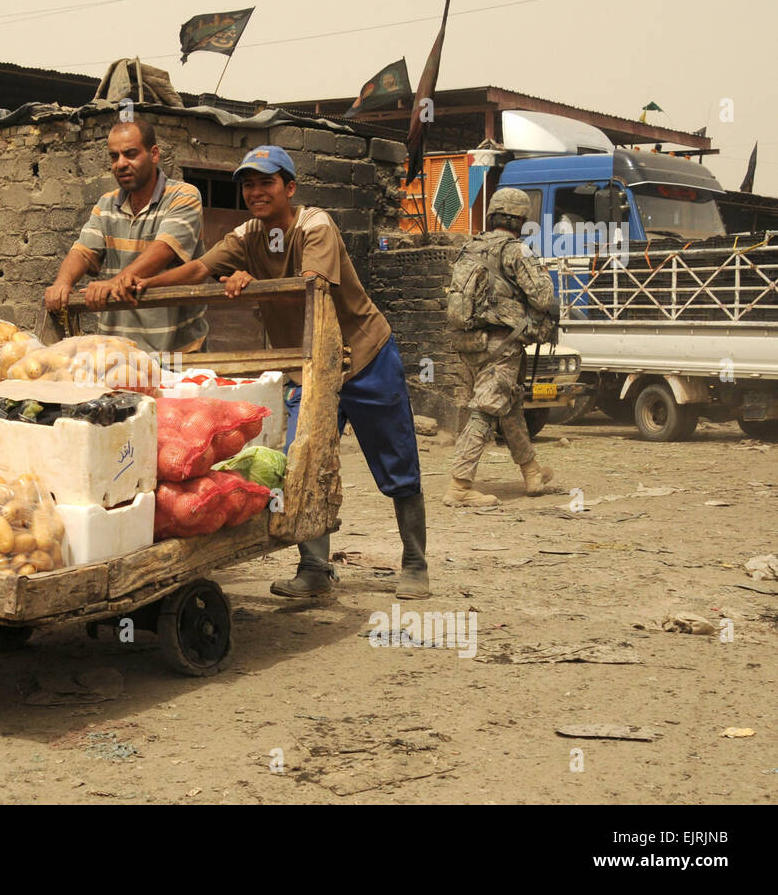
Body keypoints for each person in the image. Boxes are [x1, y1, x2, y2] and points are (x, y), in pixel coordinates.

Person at [119, 145, 431, 600]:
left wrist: (251, 282)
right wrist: (144, 282)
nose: (255, 192)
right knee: (300, 462)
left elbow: (312, 291)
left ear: (290, 187)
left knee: (396, 460)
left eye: (266, 182)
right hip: (309, 367)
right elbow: (200, 269)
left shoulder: (315, 225)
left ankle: (416, 563)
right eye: (247, 184)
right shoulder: (248, 234)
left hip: (363, 356)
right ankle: (314, 570)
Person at [43, 117, 208, 354]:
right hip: (117, 352)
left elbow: (163, 250)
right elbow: (82, 251)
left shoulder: (183, 196)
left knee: (177, 392)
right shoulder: (106, 204)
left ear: (154, 154)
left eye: (130, 154)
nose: (120, 163)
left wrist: (112, 284)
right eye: (114, 156)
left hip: (175, 351)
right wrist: (62, 283)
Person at [444, 187, 560, 508]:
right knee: (486, 409)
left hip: (469, 342)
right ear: (520, 219)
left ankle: (532, 472)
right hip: (501, 343)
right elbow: (542, 296)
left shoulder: (470, 248)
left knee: (509, 407)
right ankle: (460, 486)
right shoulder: (516, 251)